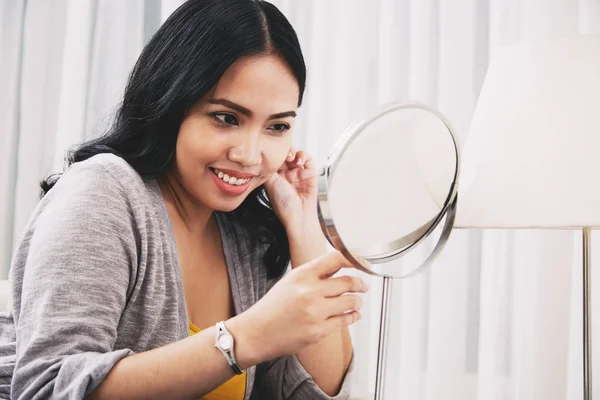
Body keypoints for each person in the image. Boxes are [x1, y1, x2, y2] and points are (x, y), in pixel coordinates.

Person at [0, 0, 369, 399]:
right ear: (172, 103)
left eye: (277, 126)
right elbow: (47, 388)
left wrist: (301, 225)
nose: (249, 154)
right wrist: (245, 338)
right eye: (226, 118)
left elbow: (315, 393)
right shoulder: (104, 194)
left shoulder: (246, 236)